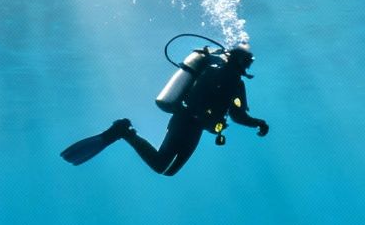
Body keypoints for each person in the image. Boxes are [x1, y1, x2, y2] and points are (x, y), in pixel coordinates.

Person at [61, 45, 269, 175]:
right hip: (186, 122)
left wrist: (257, 123)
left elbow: (237, 114)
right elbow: (201, 103)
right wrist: (210, 120)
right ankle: (124, 132)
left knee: (167, 170)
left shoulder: (235, 83)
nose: (247, 66)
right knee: (162, 166)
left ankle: (126, 133)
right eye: (247, 61)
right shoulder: (216, 74)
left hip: (194, 126)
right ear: (237, 59)